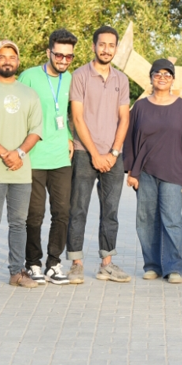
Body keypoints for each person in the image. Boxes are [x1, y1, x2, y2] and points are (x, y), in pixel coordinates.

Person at [0, 40, 43, 290]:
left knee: (19, 224)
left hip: (21, 172)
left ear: (18, 62)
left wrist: (19, 153)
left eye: (12, 57)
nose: (7, 61)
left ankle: (17, 272)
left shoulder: (29, 94)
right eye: (2, 56)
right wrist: (5, 154)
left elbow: (35, 130)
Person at [66, 25, 131, 284]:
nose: (106, 49)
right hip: (84, 153)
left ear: (116, 48)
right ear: (93, 46)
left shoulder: (121, 80)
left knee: (111, 211)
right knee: (78, 208)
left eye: (111, 45)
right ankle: (76, 263)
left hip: (113, 156)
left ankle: (106, 264)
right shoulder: (80, 75)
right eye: (102, 44)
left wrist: (114, 153)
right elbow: (78, 118)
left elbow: (124, 118)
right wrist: (94, 153)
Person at [124, 59, 182, 284]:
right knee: (146, 219)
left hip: (174, 171)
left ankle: (174, 267)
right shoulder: (141, 107)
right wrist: (131, 170)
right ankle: (152, 265)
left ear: (173, 79)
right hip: (145, 171)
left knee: (172, 219)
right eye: (158, 73)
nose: (162, 77)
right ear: (151, 77)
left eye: (167, 74)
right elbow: (130, 139)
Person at [18, 29, 76, 285]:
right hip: (33, 157)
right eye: (59, 55)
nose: (63, 60)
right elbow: (17, 114)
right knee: (35, 214)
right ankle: (32, 263)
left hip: (61, 157)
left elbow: (64, 112)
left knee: (63, 212)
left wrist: (69, 137)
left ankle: (54, 263)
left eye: (69, 57)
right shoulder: (29, 76)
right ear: (49, 52)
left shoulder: (70, 78)